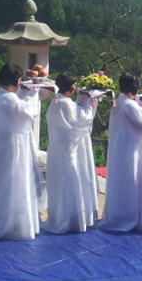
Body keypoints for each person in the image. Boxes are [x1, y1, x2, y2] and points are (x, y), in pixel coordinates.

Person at [0, 63, 44, 241]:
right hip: (8, 150)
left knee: (8, 185)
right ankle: (7, 225)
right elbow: (27, 112)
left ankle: (10, 221)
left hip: (6, 147)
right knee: (9, 185)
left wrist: (33, 91)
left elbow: (21, 103)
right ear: (16, 80)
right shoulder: (7, 98)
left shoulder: (3, 95)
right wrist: (34, 92)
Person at [100, 73, 142, 233]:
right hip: (133, 150)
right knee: (133, 181)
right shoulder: (129, 105)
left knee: (121, 182)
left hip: (120, 149)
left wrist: (140, 104)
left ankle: (119, 215)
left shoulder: (119, 102)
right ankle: (132, 217)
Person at [42, 72, 99, 234]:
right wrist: (93, 101)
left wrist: (83, 100)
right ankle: (69, 220)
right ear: (71, 87)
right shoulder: (65, 104)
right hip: (68, 151)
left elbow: (75, 113)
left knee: (59, 185)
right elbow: (83, 120)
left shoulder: (57, 101)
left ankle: (59, 217)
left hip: (57, 148)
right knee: (70, 184)